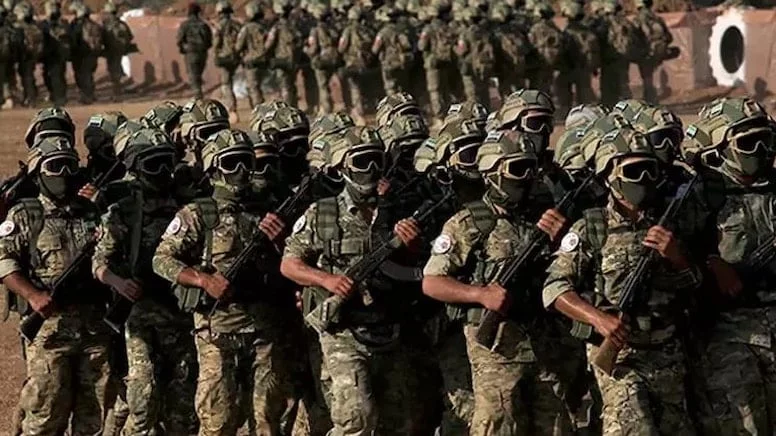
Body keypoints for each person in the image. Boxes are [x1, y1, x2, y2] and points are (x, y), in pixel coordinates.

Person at [543, 126, 700, 435]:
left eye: (649, 170)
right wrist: (598, 319)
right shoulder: (592, 227)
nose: (643, 179)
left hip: (668, 353)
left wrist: (677, 257)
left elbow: (695, 283)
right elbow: (555, 288)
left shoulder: (671, 223)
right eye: (633, 171)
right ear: (609, 176)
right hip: (621, 357)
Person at [423, 130, 576, 435]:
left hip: (545, 345)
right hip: (497, 352)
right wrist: (480, 295)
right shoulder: (469, 222)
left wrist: (561, 239)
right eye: (517, 169)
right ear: (492, 173)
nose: (527, 177)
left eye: (531, 168)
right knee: (498, 426)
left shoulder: (544, 217)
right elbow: (432, 281)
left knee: (555, 426)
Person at [153, 129, 299, 435]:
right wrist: (203, 280)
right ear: (214, 168)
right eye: (232, 163)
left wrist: (281, 240)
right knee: (217, 421)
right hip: (217, 332)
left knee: (267, 420)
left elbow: (295, 262)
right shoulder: (198, 214)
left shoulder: (269, 211)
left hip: (264, 330)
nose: (242, 171)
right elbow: (162, 259)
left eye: (247, 162)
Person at [281, 126, 419, 436]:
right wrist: (327, 280)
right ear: (342, 166)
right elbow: (289, 264)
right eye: (361, 161)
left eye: (376, 160)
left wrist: (411, 247)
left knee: (397, 423)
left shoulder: (399, 210)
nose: (370, 169)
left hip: (390, 328)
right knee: (356, 420)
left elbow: (419, 270)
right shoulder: (323, 213)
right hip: (343, 331)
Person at [0, 137, 112, 436]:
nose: (64, 173)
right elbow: (4, 260)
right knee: (45, 414)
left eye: (70, 165)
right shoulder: (26, 214)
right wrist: (33, 295)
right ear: (38, 171)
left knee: (94, 417)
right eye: (55, 166)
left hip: (94, 328)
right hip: (50, 329)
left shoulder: (91, 212)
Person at [92, 129, 198, 435]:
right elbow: (99, 262)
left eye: (167, 163)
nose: (162, 171)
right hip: (140, 316)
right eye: (153, 165)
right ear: (136, 169)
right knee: (142, 398)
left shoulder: (188, 208)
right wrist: (118, 282)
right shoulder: (123, 211)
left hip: (181, 315)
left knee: (182, 407)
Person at [680, 97, 776, 435]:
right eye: (749, 142)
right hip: (728, 333)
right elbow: (672, 251)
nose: (761, 150)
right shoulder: (701, 194)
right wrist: (712, 264)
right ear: (723, 146)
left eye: (766, 140)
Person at [418, 0, 457, 126]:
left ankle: (440, 118)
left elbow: (421, 46)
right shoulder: (447, 27)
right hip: (446, 61)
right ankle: (450, 115)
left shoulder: (428, 29)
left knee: (435, 90)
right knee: (445, 90)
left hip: (432, 64)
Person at [632, 0, 677, 104]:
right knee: (650, 77)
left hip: (646, 52)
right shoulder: (657, 18)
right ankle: (652, 99)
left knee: (647, 78)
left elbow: (635, 38)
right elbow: (669, 37)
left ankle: (650, 101)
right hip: (660, 50)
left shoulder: (637, 19)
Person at [558, 0, 600, 110]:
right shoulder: (587, 31)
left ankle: (566, 113)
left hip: (569, 68)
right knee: (584, 95)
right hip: (584, 68)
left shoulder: (567, 32)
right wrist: (594, 67)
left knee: (565, 95)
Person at [338, 6, 376, 125]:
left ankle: (360, 115)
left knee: (355, 89)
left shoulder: (348, 30)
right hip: (366, 64)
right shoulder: (367, 29)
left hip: (352, 64)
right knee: (366, 88)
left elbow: (341, 48)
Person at [305, 3, 341, 116]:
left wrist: (306, 50)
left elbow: (313, 48)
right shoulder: (333, 28)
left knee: (323, 86)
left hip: (322, 60)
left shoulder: (315, 30)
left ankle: (327, 109)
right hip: (335, 58)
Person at [454, 7, 494, 108]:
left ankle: (476, 113)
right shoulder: (485, 32)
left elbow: (461, 51)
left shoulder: (465, 33)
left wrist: (454, 47)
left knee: (472, 95)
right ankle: (487, 111)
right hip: (483, 65)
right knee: (485, 93)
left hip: (469, 67)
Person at [373, 5, 414, 97]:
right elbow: (407, 45)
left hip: (388, 63)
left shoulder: (382, 33)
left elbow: (375, 49)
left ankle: (394, 104)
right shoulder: (401, 30)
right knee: (402, 87)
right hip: (402, 62)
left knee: (390, 88)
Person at [266, 0, 302, 106]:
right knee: (292, 85)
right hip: (293, 60)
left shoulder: (276, 27)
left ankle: (288, 109)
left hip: (281, 60)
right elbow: (299, 41)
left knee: (284, 86)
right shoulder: (294, 25)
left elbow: (268, 44)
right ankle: (295, 107)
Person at [236, 1, 269, 109]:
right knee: (258, 87)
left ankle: (259, 110)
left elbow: (238, 46)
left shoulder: (247, 28)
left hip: (251, 61)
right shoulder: (264, 27)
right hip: (264, 61)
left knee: (253, 88)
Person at [212, 0, 241, 123]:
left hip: (224, 58)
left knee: (226, 84)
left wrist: (215, 55)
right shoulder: (237, 24)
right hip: (236, 57)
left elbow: (216, 43)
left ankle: (232, 110)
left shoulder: (219, 26)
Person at [177, 2, 212, 100]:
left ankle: (198, 96)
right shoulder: (204, 25)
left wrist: (183, 49)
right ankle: (199, 94)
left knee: (193, 75)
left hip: (191, 52)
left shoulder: (185, 25)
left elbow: (179, 39)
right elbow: (209, 41)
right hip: (202, 53)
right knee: (199, 74)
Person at [102, 1, 136, 101]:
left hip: (111, 51)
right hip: (120, 50)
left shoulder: (107, 24)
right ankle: (118, 91)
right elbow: (130, 36)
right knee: (116, 69)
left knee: (114, 71)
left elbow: (102, 37)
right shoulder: (122, 24)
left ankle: (117, 94)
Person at [70, 3, 102, 104]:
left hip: (82, 53)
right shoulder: (94, 25)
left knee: (83, 75)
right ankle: (89, 94)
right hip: (89, 54)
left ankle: (87, 96)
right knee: (87, 75)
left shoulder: (78, 25)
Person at [40, 1, 69, 107]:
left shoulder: (61, 24)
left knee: (57, 76)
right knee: (49, 76)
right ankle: (55, 95)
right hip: (50, 54)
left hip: (57, 54)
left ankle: (60, 98)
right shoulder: (45, 24)